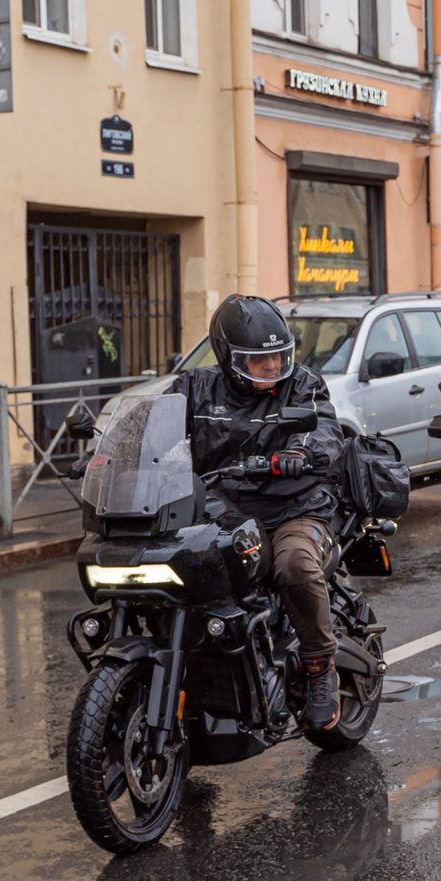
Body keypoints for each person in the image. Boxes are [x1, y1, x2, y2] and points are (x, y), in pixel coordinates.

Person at [180, 296, 353, 729]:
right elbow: (153, 430)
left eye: (279, 355)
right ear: (228, 357)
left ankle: (320, 667)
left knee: (293, 565)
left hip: (293, 508)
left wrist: (302, 451)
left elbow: (324, 427)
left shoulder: (303, 385)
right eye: (260, 359)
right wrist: (112, 457)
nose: (273, 365)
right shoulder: (194, 388)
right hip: (219, 512)